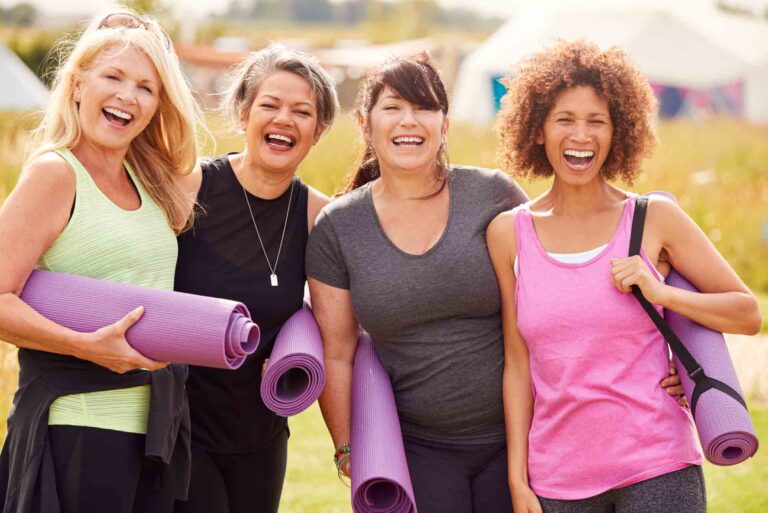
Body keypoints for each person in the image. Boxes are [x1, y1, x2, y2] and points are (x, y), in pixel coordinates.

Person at [487, 39, 762, 513]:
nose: (581, 135)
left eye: (597, 121)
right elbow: (517, 364)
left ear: (619, 133)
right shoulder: (509, 233)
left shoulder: (652, 218)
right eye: (565, 120)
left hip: (657, 467)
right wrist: (518, 478)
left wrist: (663, 294)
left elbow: (747, 314)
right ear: (537, 130)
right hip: (557, 477)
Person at [305, 52, 528, 513]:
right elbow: (338, 351)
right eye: (392, 107)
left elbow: (558, 294)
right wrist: (349, 447)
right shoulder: (339, 227)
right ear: (365, 125)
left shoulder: (493, 195)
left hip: (523, 435)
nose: (410, 120)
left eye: (425, 106)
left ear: (444, 124)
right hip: (417, 447)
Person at [0, 8, 204, 513]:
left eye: (145, 87)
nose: (126, 96)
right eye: (112, 77)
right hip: (78, 428)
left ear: (158, 105)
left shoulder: (152, 183)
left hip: (158, 427)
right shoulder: (55, 173)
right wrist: (85, 346)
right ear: (75, 85)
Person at [172, 43, 339, 513]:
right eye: (270, 104)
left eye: (302, 111)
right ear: (244, 114)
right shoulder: (188, 188)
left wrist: (299, 354)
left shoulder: (320, 217)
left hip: (262, 433)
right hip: (181, 429)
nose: (284, 119)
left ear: (318, 131)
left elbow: (339, 322)